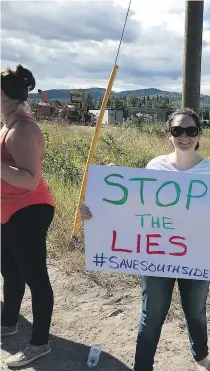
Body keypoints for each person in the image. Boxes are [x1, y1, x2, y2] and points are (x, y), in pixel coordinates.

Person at [80, 108, 210, 371]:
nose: (184, 136)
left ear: (199, 135)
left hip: (196, 256)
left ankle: (201, 357)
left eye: (191, 131)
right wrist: (98, 206)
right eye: (177, 130)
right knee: (152, 314)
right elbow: (136, 211)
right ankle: (143, 366)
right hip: (156, 255)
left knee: (195, 311)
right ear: (169, 134)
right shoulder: (154, 166)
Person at [1, 65, 56, 367]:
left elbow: (30, 180)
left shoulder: (24, 128)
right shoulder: (9, 123)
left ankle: (40, 343)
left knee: (36, 278)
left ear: (6, 95)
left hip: (29, 210)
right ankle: (9, 322)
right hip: (9, 210)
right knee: (9, 271)